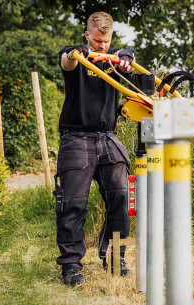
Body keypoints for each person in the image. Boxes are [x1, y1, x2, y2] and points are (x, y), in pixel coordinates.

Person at [55, 11, 135, 286]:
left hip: (107, 137)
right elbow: (65, 60)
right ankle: (71, 266)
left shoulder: (115, 61)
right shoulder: (76, 57)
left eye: (107, 41)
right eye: (97, 40)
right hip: (76, 138)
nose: (102, 46)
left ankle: (114, 257)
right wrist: (75, 53)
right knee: (73, 204)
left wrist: (127, 56)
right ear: (88, 35)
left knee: (121, 198)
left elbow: (128, 66)